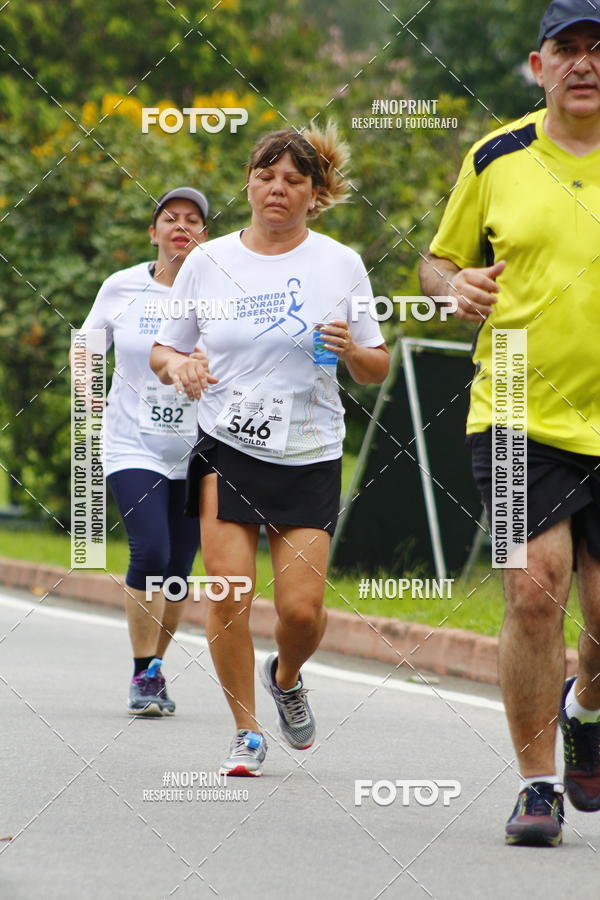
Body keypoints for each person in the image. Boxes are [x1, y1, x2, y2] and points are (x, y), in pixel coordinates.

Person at [150, 124, 389, 775]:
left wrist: (352, 351)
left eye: (293, 180)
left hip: (310, 450)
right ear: (249, 183)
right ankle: (246, 732)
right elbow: (164, 347)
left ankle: (286, 675)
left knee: (302, 611)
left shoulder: (340, 263)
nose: (277, 189)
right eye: (266, 176)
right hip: (226, 446)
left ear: (314, 194)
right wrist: (181, 370)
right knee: (227, 593)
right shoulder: (209, 260)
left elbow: (377, 366)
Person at [419, 0, 600, 846]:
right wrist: (452, 289)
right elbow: (437, 261)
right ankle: (536, 787)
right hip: (516, 405)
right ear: (539, 66)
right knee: (534, 592)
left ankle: (587, 709)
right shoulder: (497, 155)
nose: (584, 64)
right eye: (566, 49)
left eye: (599, 50)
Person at [78, 187, 209, 716]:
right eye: (170, 219)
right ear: (153, 232)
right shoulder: (122, 286)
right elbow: (87, 346)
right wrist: (86, 399)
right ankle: (141, 672)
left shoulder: (220, 292)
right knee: (150, 553)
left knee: (178, 568)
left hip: (200, 449)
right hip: (131, 442)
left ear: (206, 235)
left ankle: (155, 671)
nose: (181, 226)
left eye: (194, 220)